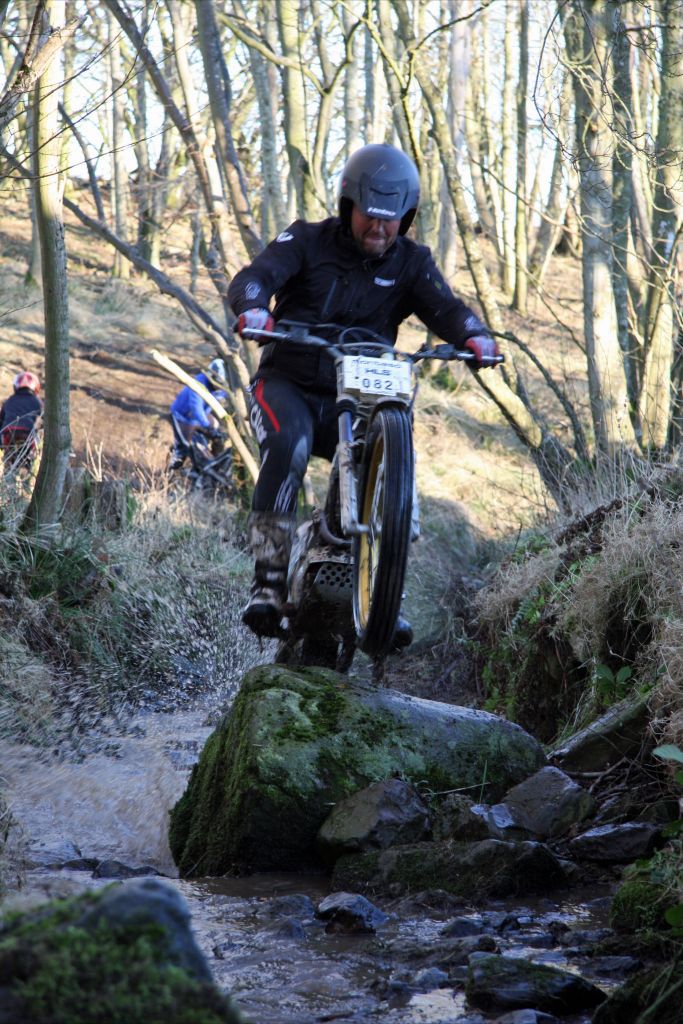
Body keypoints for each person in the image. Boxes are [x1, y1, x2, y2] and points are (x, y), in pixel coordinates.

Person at [228, 143, 500, 641]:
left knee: (391, 452)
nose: (378, 228)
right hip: (288, 381)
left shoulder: (412, 262)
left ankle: (380, 593)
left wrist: (475, 336)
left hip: (358, 390)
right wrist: (254, 308)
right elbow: (256, 277)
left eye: (389, 220)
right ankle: (267, 583)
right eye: (369, 216)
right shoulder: (306, 240)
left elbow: (446, 309)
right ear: (347, 205)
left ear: (406, 217)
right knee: (288, 445)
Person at [168, 358, 227, 471]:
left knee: (216, 428)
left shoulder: (222, 387)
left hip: (202, 414)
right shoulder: (199, 383)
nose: (219, 387)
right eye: (217, 383)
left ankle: (213, 458)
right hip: (183, 416)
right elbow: (196, 407)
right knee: (184, 447)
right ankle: (171, 470)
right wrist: (206, 427)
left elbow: (227, 398)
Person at [0, 370, 43, 474]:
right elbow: (45, 421)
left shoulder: (9, 401)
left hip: (8, 433)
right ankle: (30, 473)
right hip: (28, 434)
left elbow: (1, 421)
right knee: (33, 457)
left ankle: (7, 474)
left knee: (7, 459)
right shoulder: (38, 402)